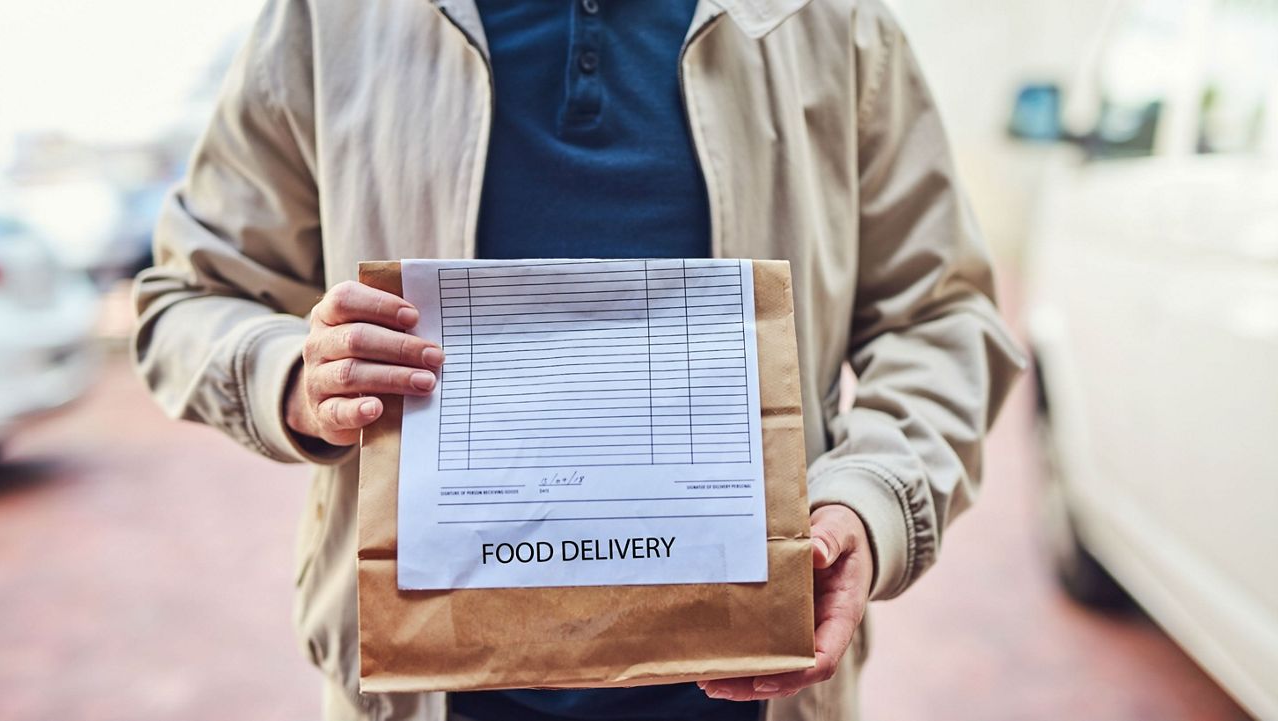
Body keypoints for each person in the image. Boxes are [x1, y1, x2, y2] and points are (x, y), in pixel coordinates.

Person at [133, 0, 1024, 719]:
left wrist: (870, 502)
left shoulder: (828, 21)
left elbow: (941, 312)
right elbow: (186, 299)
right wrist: (295, 377)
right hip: (427, 696)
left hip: (754, 694)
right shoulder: (331, 20)